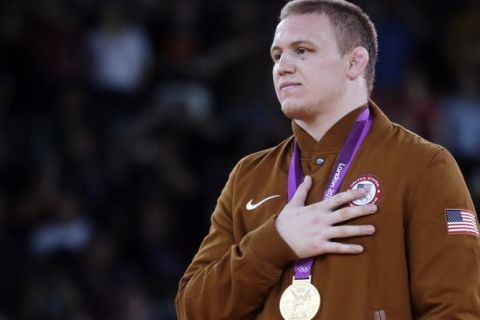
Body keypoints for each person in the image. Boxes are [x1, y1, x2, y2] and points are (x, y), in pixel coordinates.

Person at [176, 0, 480, 319]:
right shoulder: (249, 175)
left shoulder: (423, 166)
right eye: (277, 55)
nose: (283, 66)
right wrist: (273, 242)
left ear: (354, 62)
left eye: (302, 50)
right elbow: (193, 309)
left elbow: (454, 310)